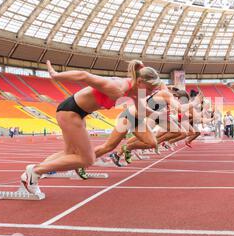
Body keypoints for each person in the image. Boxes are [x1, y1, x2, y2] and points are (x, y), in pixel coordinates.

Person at [20, 60, 161, 195]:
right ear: (140, 82)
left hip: (77, 113)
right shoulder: (117, 87)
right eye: (150, 89)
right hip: (70, 112)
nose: (151, 93)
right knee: (87, 159)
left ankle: (32, 174)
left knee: (69, 154)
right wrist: (55, 75)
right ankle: (35, 172)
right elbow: (84, 76)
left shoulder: (137, 91)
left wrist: (162, 114)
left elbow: (142, 110)